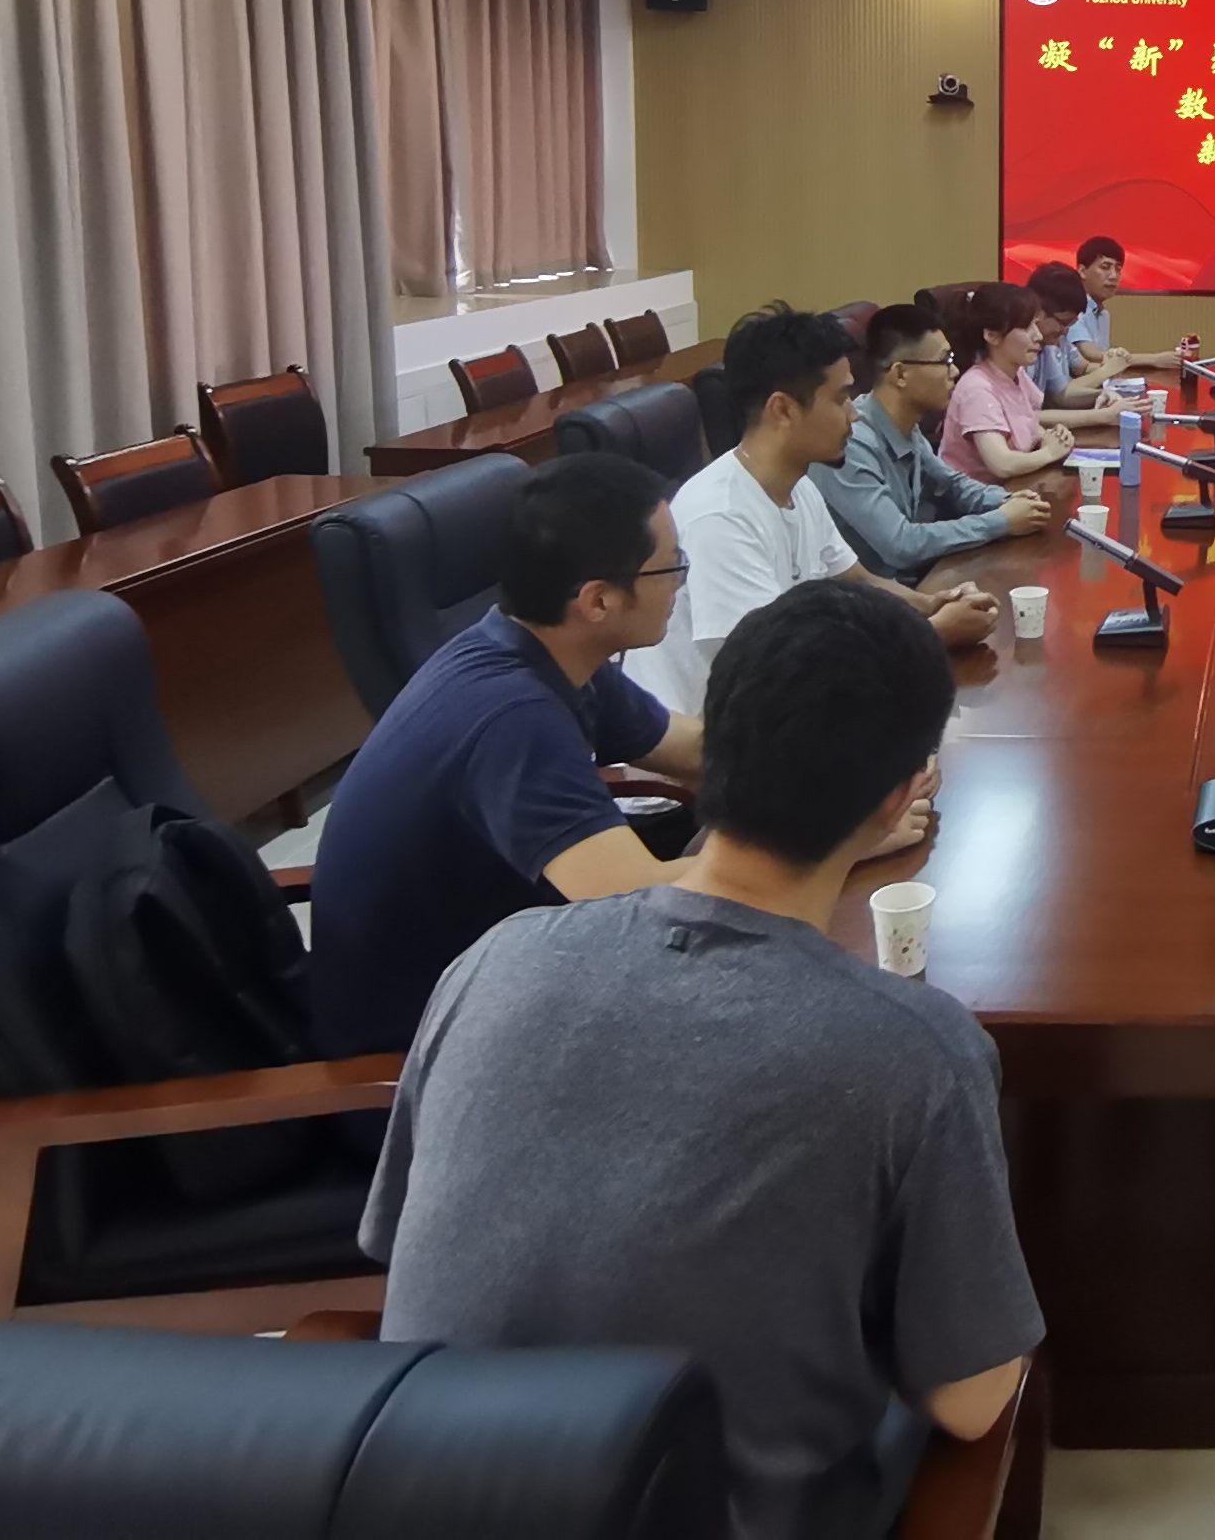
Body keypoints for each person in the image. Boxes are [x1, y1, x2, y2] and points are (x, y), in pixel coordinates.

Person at [366, 578, 1043, 1540]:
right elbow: (972, 1401)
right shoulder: (916, 1052)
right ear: (899, 795)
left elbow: (399, 1248)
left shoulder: (492, 961)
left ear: (712, 749)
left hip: (425, 1498)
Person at [308, 453, 707, 1058]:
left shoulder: (550, 652)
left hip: (507, 970)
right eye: (672, 567)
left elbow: (696, 748)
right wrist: (812, 841)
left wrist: (829, 767)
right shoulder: (514, 717)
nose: (681, 583)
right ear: (598, 600)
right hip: (426, 1044)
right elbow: (636, 896)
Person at [630, 304, 997, 717]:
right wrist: (932, 632)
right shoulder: (720, 516)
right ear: (783, 409)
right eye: (841, 398)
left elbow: (855, 579)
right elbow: (771, 668)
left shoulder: (798, 484)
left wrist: (930, 604)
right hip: (717, 730)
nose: (854, 414)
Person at [819, 302, 1059, 585]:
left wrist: (1010, 501)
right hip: (871, 597)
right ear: (900, 374)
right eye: (944, 361)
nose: (955, 371)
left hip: (914, 582)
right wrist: (1002, 521)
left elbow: (952, 485)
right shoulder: (852, 443)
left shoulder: (905, 425)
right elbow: (901, 544)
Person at [942, 283, 1078, 488]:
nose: (1038, 336)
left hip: (1011, 488)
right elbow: (1002, 464)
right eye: (1026, 328)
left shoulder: (1016, 375)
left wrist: (1053, 437)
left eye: (1036, 325)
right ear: (992, 336)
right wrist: (1050, 452)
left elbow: (1030, 423)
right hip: (971, 499)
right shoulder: (976, 388)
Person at [1022, 262, 1131, 410]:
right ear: (1037, 311)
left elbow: (1061, 396)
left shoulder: (1046, 346)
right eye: (1063, 323)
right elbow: (1028, 415)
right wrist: (1102, 415)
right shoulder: (1018, 348)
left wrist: (1103, 395)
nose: (1065, 332)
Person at [1070, 234, 1181, 374]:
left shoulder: (1103, 314)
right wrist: (1155, 359)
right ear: (1082, 271)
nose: (1114, 276)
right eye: (1105, 267)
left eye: (1118, 269)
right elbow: (1093, 355)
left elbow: (1105, 360)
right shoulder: (1071, 308)